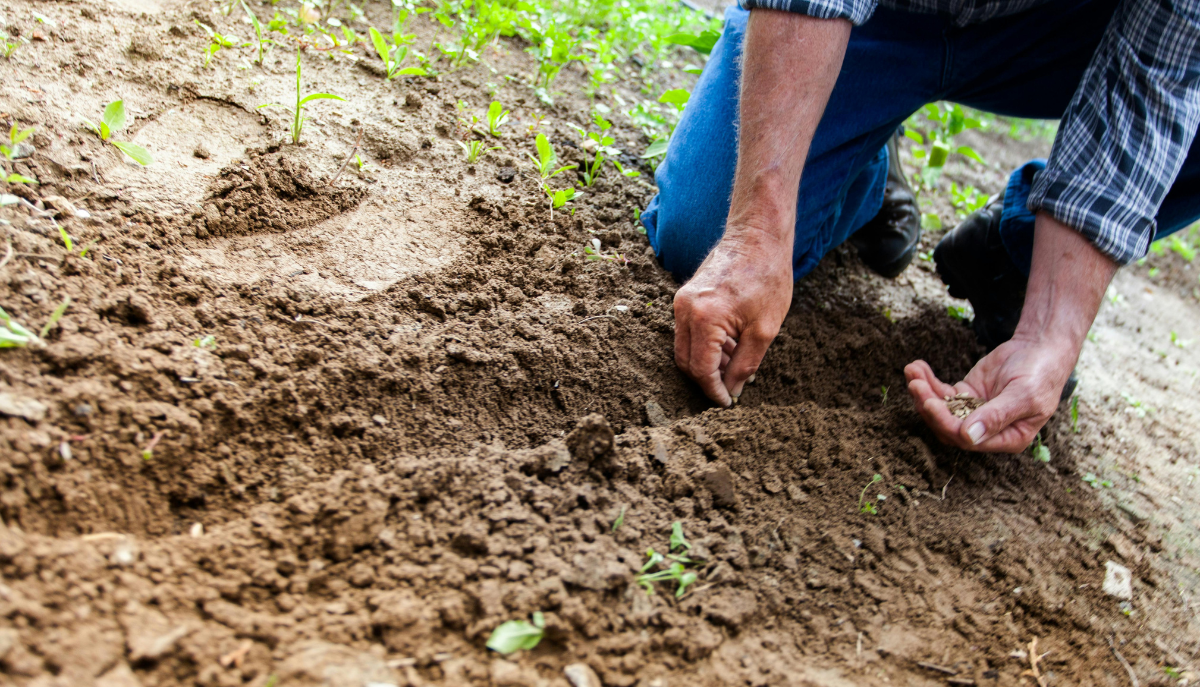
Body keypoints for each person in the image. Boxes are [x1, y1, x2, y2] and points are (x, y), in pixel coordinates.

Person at [640, 0, 1200, 453]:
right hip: (880, 15)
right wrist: (755, 234)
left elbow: (1159, 78)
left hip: (1059, 32)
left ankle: (1018, 255)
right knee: (704, 233)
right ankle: (865, 164)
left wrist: (1050, 333)